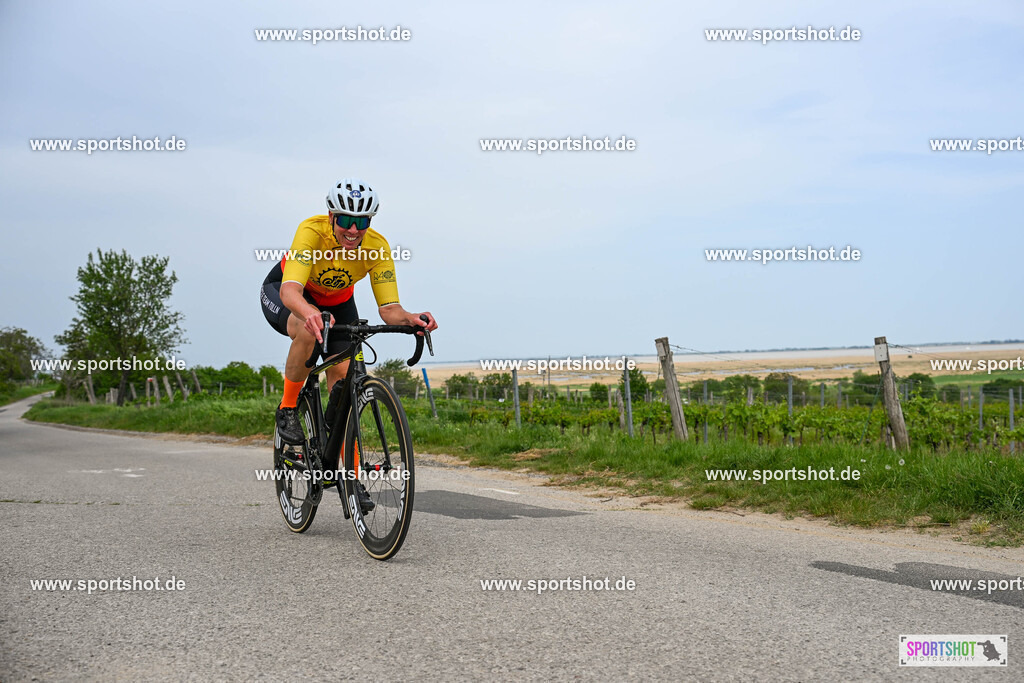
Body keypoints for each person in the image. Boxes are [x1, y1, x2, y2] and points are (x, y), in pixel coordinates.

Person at [260, 178, 437, 448]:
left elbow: (389, 309)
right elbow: (290, 292)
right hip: (288, 293)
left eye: (362, 222)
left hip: (338, 303)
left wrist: (410, 318)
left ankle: (351, 483)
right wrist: (311, 313)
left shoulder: (377, 247)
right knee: (310, 331)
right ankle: (288, 408)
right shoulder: (311, 231)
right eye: (345, 220)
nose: (353, 230)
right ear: (331, 216)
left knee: (346, 393)